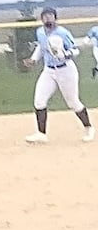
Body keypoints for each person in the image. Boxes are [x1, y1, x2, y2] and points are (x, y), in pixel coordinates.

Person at [22, 7, 94, 144]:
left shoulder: (62, 33)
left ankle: (88, 128)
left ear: (55, 18)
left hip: (65, 70)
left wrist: (65, 55)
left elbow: (75, 50)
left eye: (50, 15)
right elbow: (41, 47)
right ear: (41, 19)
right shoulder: (40, 32)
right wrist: (33, 59)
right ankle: (41, 134)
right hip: (49, 70)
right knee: (39, 101)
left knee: (73, 102)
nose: (48, 18)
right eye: (45, 16)